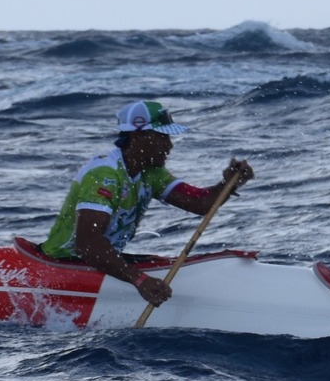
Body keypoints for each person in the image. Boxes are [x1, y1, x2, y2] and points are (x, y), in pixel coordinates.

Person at [40, 100, 254, 309]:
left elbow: (200, 204)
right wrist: (140, 280)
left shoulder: (152, 173)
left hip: (98, 259)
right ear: (137, 136)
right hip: (65, 262)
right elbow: (87, 244)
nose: (169, 145)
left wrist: (229, 184)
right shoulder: (104, 175)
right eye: (162, 137)